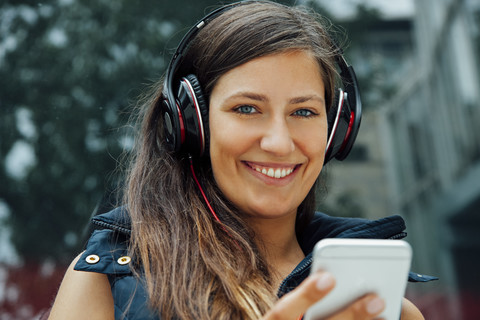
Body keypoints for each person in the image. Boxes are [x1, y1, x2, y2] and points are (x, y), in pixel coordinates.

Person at [48, 1, 435, 319]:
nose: (279, 143)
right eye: (247, 108)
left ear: (336, 132)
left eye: (303, 112)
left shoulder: (385, 311)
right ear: (191, 122)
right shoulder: (108, 279)